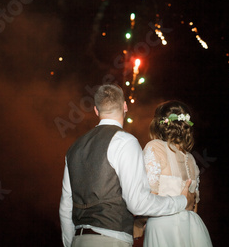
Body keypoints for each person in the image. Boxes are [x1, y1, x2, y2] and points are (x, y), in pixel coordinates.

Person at [59, 84, 195, 247]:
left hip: (79, 240)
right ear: (125, 106)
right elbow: (137, 204)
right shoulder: (125, 142)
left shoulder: (74, 148)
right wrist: (181, 201)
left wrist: (70, 243)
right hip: (111, 241)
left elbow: (65, 208)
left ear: (96, 110)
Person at [141, 100, 213, 247]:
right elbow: (193, 207)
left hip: (164, 227)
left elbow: (148, 198)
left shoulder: (154, 147)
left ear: (159, 124)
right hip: (193, 228)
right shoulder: (191, 159)